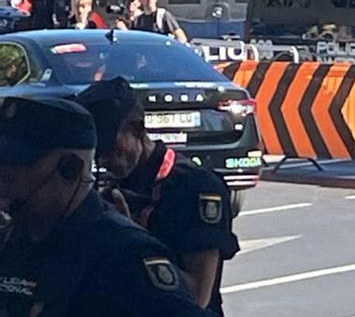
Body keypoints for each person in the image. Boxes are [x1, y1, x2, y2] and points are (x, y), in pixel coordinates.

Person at [0, 95, 204, 316]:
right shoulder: (13, 243)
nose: (4, 173)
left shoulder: (124, 258)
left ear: (71, 169)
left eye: (17, 163)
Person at [77, 77, 239, 314]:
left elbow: (197, 296)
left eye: (110, 147)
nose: (104, 159)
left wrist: (132, 238)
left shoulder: (195, 187)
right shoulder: (110, 189)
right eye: (96, 151)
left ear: (137, 129)